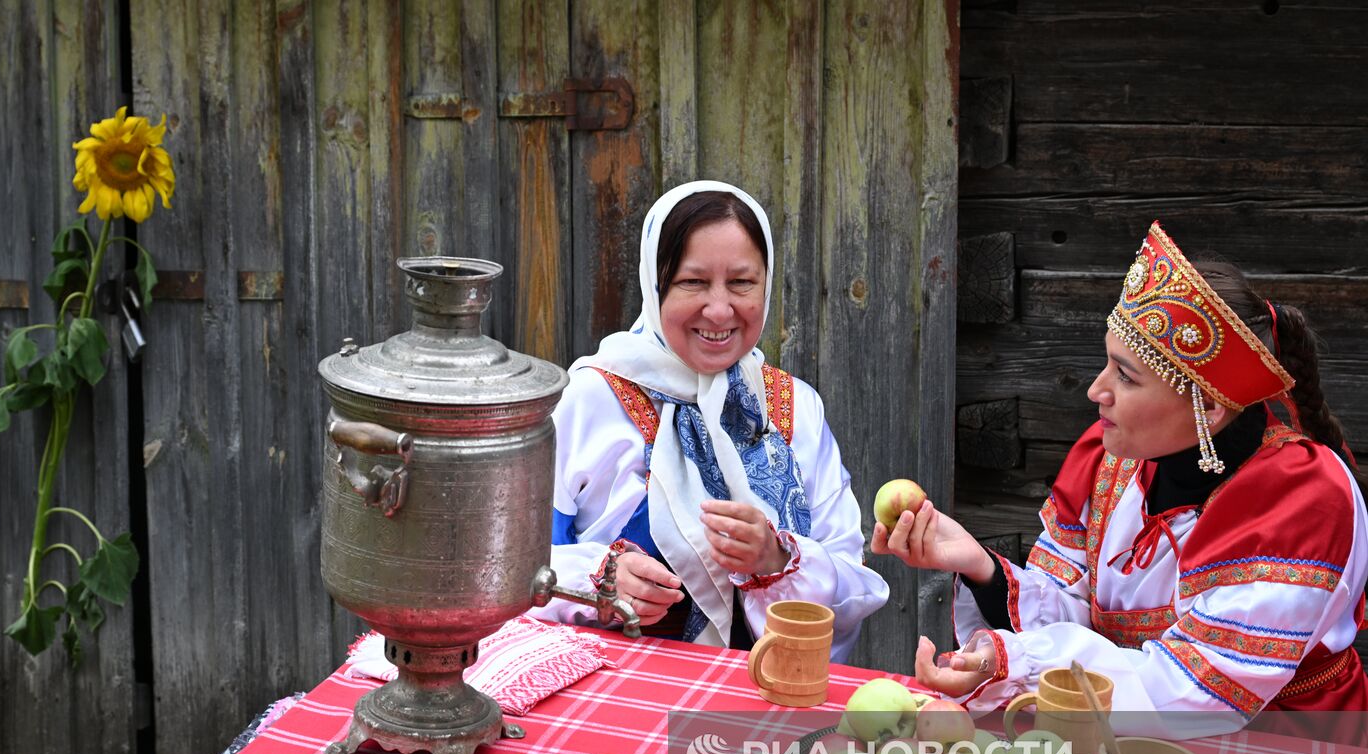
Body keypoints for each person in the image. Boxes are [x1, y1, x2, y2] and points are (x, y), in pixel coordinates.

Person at [873, 220, 1367, 723]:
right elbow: (1074, 615)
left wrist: (1015, 663)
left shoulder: (1300, 500)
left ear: (1210, 408)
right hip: (1115, 730)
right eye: (1106, 363)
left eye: (1125, 376)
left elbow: (1190, 692)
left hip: (1279, 750)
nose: (1095, 390)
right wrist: (981, 566)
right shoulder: (1113, 457)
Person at [530, 180, 888, 660]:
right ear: (655, 285)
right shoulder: (590, 400)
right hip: (608, 702)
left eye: (742, 283)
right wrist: (599, 579)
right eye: (692, 282)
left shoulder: (794, 409)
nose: (719, 309)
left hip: (762, 702)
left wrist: (778, 560)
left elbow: (856, 587)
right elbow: (505, 575)